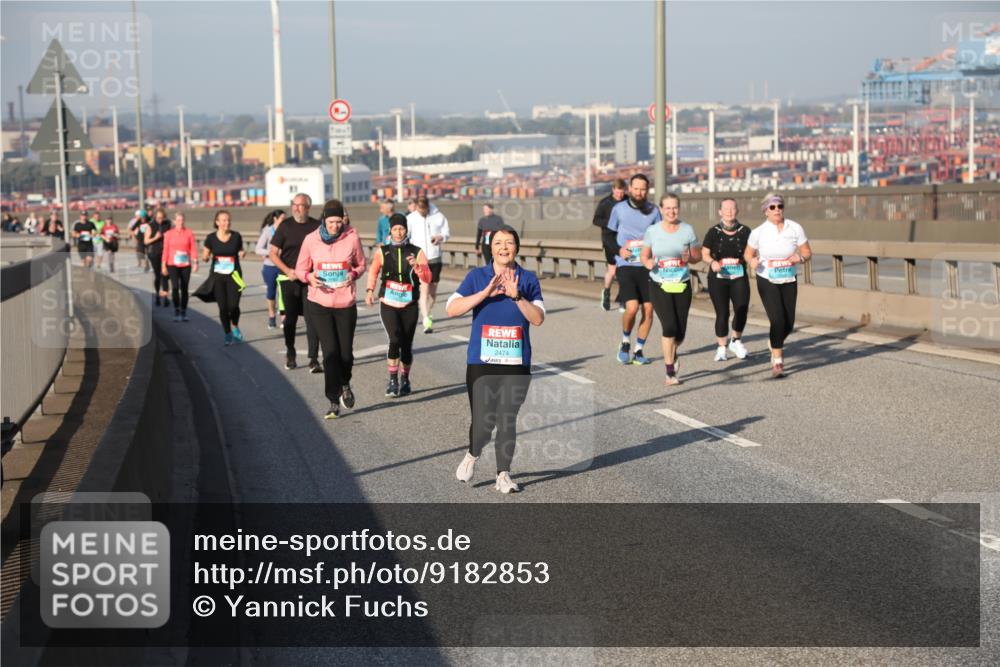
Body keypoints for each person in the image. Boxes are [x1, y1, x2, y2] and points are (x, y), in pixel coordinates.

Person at [448, 226, 545, 494]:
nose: (504, 247)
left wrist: (516, 296)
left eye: (509, 243)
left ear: (517, 247)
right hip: (481, 361)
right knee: (483, 420)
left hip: (516, 363)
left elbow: (537, 318)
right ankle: (472, 453)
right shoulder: (477, 276)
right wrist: (484, 293)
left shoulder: (527, 279)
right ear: (490, 248)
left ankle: (503, 474)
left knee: (506, 418)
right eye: (498, 243)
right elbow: (452, 309)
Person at [294, 200, 367, 419]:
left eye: (339, 221)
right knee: (330, 353)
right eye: (331, 222)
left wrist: (353, 275)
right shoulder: (311, 240)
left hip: (345, 304)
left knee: (345, 354)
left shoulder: (352, 238)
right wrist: (309, 277)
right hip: (319, 303)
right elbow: (300, 268)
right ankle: (333, 400)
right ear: (324, 220)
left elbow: (361, 264)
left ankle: (345, 383)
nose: (336, 226)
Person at [745, 193, 812, 378]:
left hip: (789, 278)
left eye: (780, 206)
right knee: (777, 320)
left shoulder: (795, 228)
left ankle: (774, 342)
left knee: (788, 323)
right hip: (767, 278)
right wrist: (751, 261)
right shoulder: (758, 232)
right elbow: (748, 254)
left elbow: (807, 251)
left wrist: (800, 257)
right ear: (765, 211)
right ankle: (777, 361)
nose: (777, 210)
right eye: (772, 207)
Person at [365, 213, 431, 398]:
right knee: (394, 339)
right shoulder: (383, 251)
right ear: (390, 231)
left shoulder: (416, 251)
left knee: (406, 344)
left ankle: (405, 379)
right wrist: (369, 290)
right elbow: (373, 271)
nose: (399, 232)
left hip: (409, 303)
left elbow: (427, 277)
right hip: (389, 302)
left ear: (406, 230)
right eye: (395, 229)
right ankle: (393, 380)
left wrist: (417, 266)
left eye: (401, 228)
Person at [641, 194, 701, 386]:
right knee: (669, 326)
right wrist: (648, 262)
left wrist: (690, 255)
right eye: (667, 208)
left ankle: (673, 351)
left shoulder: (687, 230)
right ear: (660, 209)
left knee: (680, 331)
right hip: (659, 283)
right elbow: (644, 255)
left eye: (674, 208)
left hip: (681, 283)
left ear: (679, 209)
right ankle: (669, 372)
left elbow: (697, 256)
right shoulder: (653, 231)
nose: (671, 211)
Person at [607, 174, 660, 365]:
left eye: (643, 189)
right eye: (636, 188)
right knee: (631, 307)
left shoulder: (654, 211)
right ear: (630, 189)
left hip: (646, 265)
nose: (639, 192)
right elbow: (609, 235)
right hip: (626, 264)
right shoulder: (619, 209)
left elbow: (660, 234)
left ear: (647, 190)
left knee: (649, 309)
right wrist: (618, 250)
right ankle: (625, 342)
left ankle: (638, 350)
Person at [270, 194, 322, 371]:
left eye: (300, 205)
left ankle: (313, 358)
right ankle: (290, 351)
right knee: (290, 320)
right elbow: (273, 253)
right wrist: (287, 271)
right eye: (294, 205)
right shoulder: (285, 226)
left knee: (312, 320)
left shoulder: (316, 227)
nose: (296, 208)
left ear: (308, 207)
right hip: (289, 279)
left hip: (309, 280)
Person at [702, 198, 751, 362]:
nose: (729, 212)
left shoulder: (745, 231)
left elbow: (750, 252)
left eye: (732, 209)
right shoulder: (713, 232)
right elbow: (705, 254)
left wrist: (752, 259)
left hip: (738, 276)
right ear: (720, 212)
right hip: (718, 278)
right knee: (722, 313)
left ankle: (736, 340)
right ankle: (721, 347)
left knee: (742, 308)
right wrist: (712, 262)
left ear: (737, 211)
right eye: (726, 209)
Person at [200, 210, 246, 345]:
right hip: (218, 277)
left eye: (229, 220)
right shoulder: (211, 238)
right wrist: (205, 258)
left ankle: (235, 326)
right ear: (217, 222)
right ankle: (227, 333)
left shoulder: (236, 236)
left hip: (234, 276)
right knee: (223, 308)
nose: (227, 222)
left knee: (233, 306)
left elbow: (240, 249)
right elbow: (205, 254)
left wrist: (242, 252)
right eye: (224, 220)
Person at [406, 195, 450, 333]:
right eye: (419, 209)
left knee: (433, 292)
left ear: (427, 207)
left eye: (423, 210)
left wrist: (440, 237)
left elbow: (447, 232)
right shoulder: (411, 218)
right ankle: (426, 320)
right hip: (420, 258)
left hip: (435, 257)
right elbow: (406, 236)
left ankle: (428, 312)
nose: (421, 212)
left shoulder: (439, 216)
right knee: (424, 289)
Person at [593, 178, 627, 311]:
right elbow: (596, 220)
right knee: (612, 271)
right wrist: (610, 223)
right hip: (609, 241)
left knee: (625, 271)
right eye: (618, 192)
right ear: (613, 190)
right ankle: (606, 292)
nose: (620, 195)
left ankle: (623, 300)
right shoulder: (605, 203)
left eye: (622, 192)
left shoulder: (628, 201)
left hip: (625, 241)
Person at [161, 212, 198, 322]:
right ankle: (176, 310)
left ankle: (183, 311)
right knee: (175, 287)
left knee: (184, 288)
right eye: (178, 220)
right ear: (174, 221)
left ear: (184, 221)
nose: (180, 222)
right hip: (172, 264)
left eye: (182, 220)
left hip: (186, 264)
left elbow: (193, 249)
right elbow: (165, 250)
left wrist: (196, 262)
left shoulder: (189, 233)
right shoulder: (168, 234)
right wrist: (163, 265)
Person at [255, 209, 286, 329]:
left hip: (283, 266)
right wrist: (271, 253)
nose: (284, 221)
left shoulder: (286, 230)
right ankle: (272, 317)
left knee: (284, 294)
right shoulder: (267, 231)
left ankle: (284, 319)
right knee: (271, 293)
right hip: (270, 267)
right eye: (282, 219)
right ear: (275, 219)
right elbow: (258, 249)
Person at [144, 208, 173, 307]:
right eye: (158, 218)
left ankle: (165, 297)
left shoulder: (168, 224)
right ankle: (157, 294)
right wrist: (156, 237)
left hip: (166, 252)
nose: (160, 220)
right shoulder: (150, 225)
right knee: (158, 275)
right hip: (154, 253)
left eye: (162, 218)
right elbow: (146, 241)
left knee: (164, 274)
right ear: (155, 217)